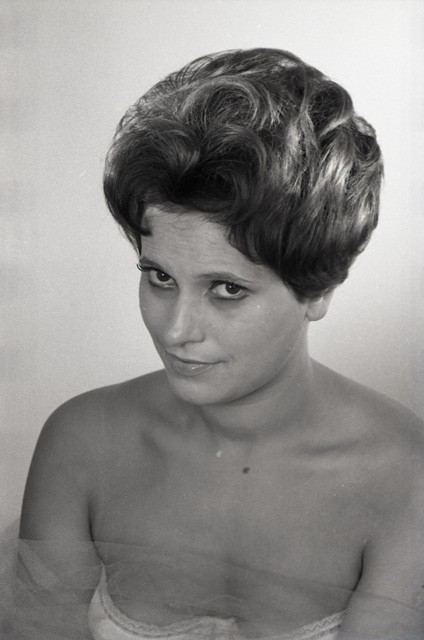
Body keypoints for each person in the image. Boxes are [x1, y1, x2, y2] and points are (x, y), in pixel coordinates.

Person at [4, 48, 424, 639]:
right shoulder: (81, 444)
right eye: (159, 277)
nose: (176, 330)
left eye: (227, 289)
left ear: (318, 289)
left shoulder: (406, 477)